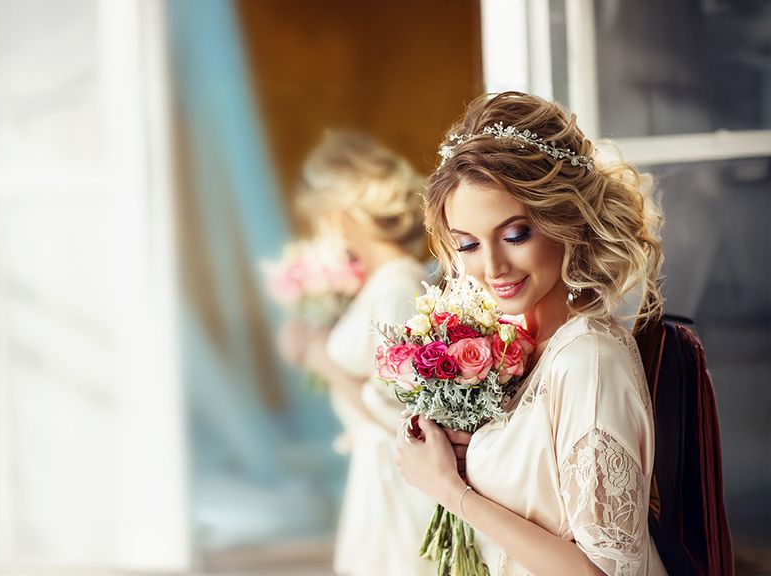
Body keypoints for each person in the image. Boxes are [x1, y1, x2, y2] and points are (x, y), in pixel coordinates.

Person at [394, 92, 668, 575]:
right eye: (469, 244)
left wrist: (451, 491)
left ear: (566, 220)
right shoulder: (517, 348)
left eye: (516, 235)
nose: (493, 266)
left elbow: (606, 572)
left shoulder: (590, 363)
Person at [278, 130, 437, 576]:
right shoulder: (380, 284)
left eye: (320, 219)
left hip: (396, 482)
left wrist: (320, 358)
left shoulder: (398, 289)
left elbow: (402, 416)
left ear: (341, 215)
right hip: (374, 476)